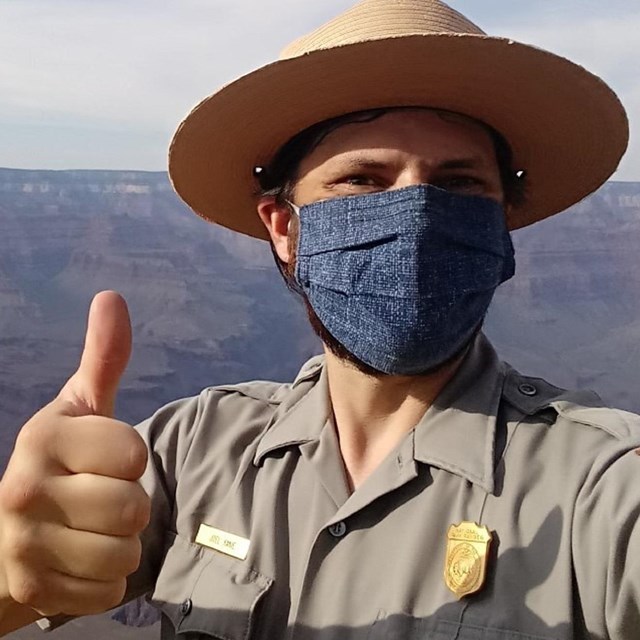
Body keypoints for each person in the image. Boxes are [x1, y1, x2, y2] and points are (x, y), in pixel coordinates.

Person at [0, 0, 637, 638]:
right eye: (362, 180)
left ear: (500, 228)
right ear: (284, 229)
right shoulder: (191, 451)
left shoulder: (601, 486)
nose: (415, 217)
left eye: (459, 185)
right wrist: (14, 564)